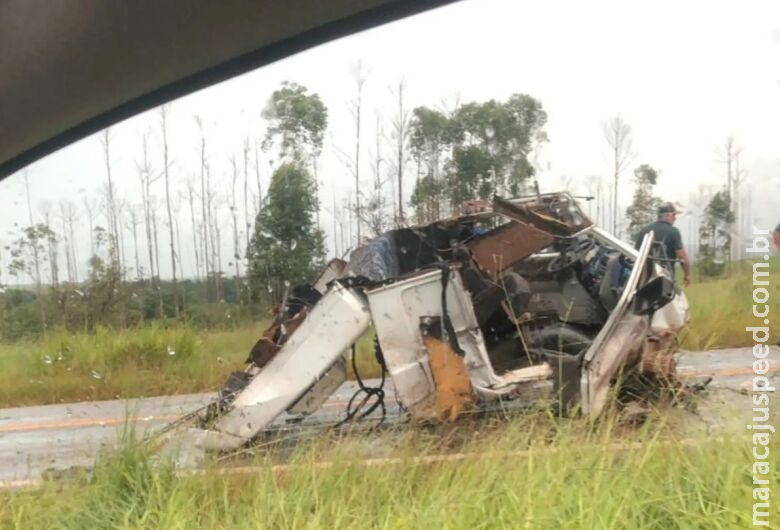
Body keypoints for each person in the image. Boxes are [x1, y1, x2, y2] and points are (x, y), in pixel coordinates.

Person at [634, 202, 691, 286]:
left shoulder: (645, 230)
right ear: (667, 215)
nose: (675, 218)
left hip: (644, 279)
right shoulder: (673, 231)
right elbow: (681, 256)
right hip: (665, 279)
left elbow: (636, 253)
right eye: (674, 215)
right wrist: (687, 274)